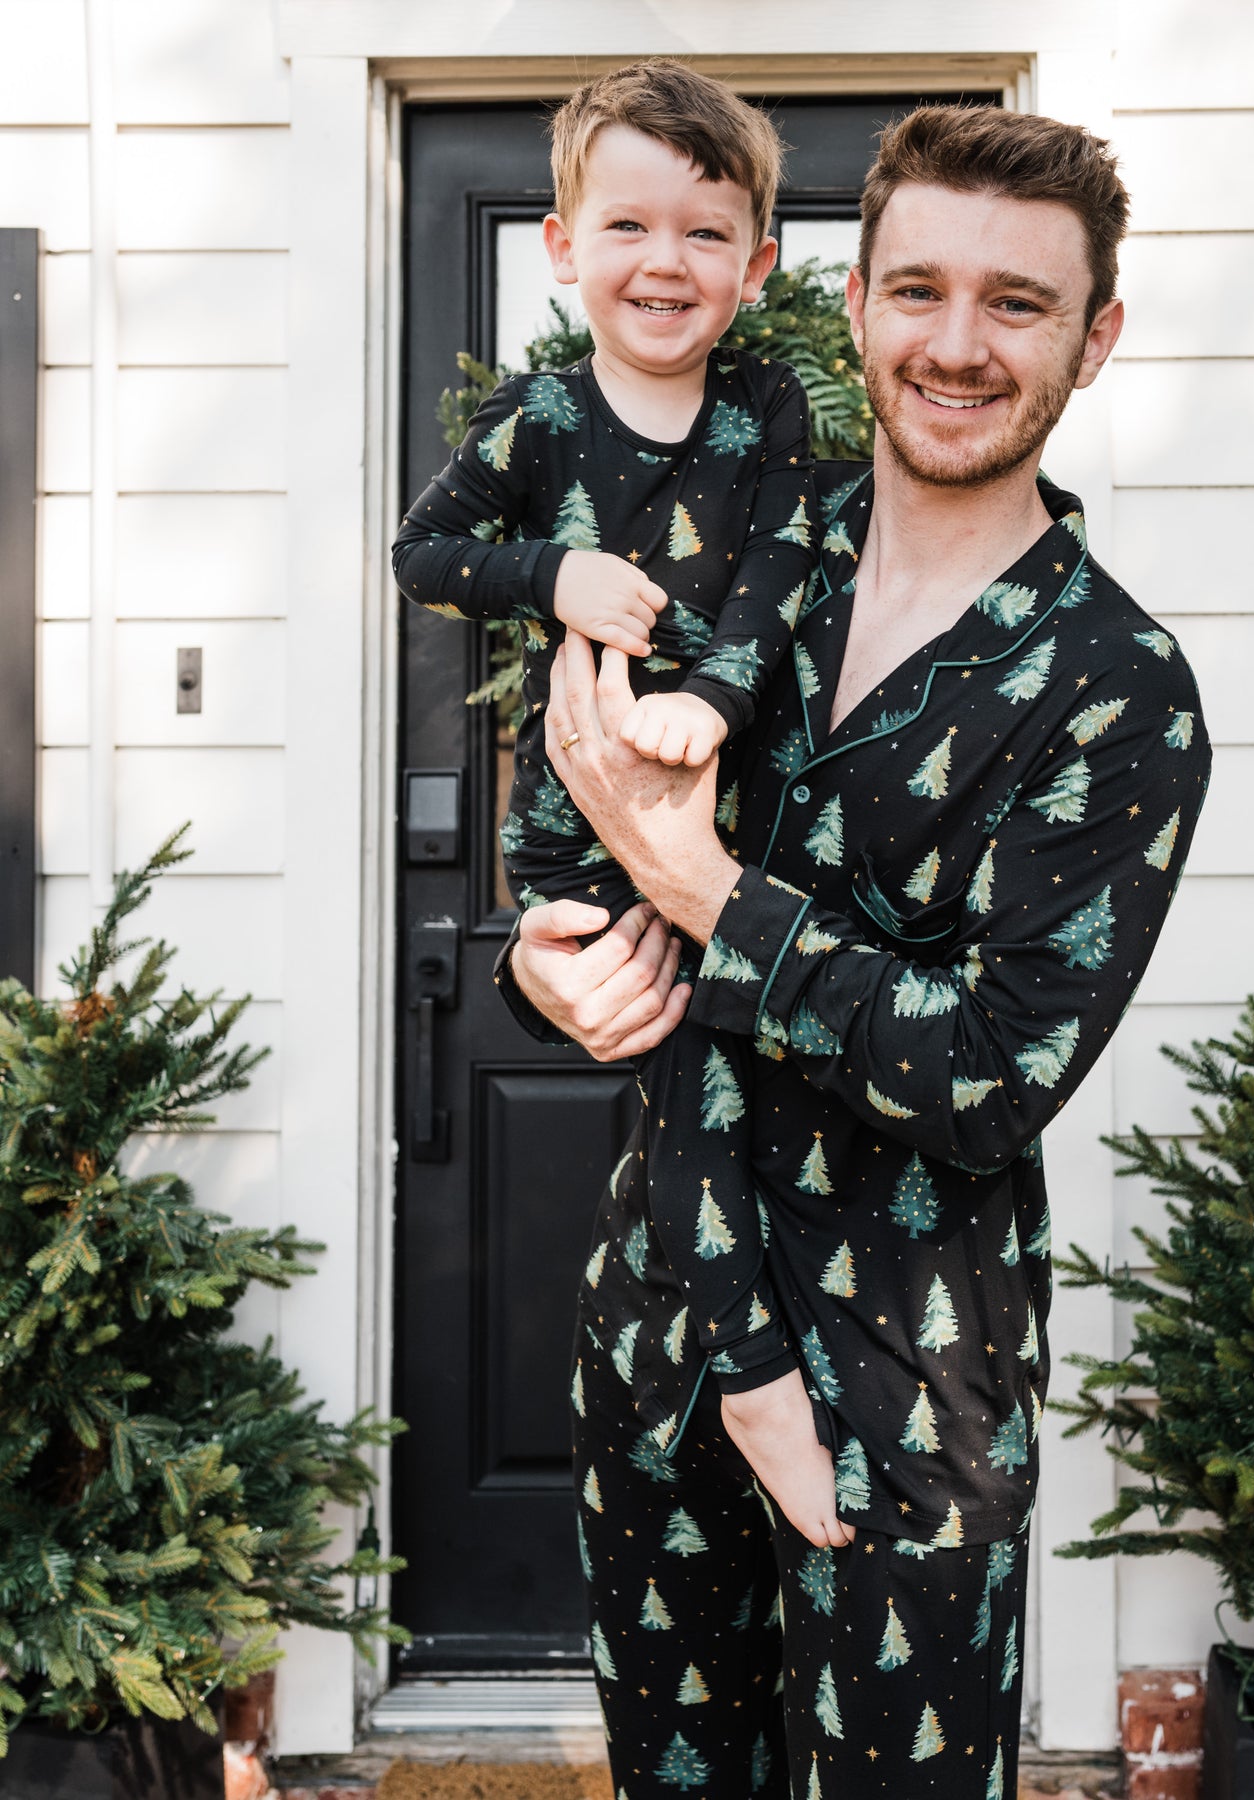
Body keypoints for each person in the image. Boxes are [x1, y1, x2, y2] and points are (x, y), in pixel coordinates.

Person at [504, 105, 1213, 1799]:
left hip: (908, 1385)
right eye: (920, 290)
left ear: (1095, 337)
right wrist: (557, 949)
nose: (956, 347)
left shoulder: (1121, 693)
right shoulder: (739, 548)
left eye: (1019, 305)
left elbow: (981, 1076)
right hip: (667, 1319)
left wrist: (706, 893)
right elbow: (584, 847)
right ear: (855, 303)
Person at [392, 61, 816, 1444]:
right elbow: (423, 553)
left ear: (754, 266)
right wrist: (554, 573)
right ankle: (736, 1383)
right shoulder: (541, 421)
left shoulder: (770, 414)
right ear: (565, 247)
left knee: (744, 1078)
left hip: (735, 813)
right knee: (670, 1070)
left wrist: (719, 706)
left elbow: (778, 581)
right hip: (581, 823)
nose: (664, 261)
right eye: (628, 227)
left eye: (704, 234)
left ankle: (744, 1374)